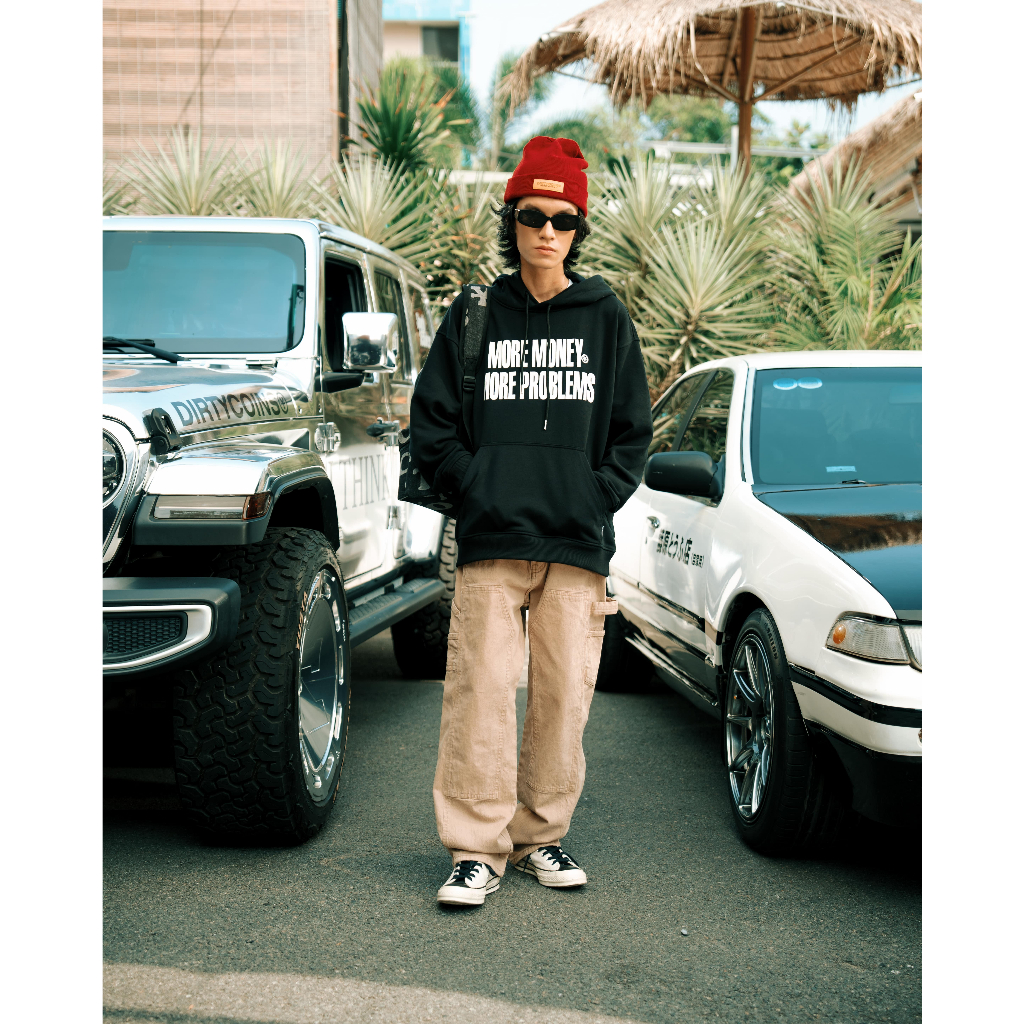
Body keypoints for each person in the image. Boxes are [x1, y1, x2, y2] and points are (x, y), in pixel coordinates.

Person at [410, 136, 654, 906]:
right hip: (493, 538)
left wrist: (593, 496)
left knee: (563, 696)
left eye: (564, 219)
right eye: (533, 216)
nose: (548, 231)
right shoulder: (475, 314)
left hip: (575, 543)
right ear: (510, 220)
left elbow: (632, 433)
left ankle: (539, 836)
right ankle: (474, 849)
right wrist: (476, 486)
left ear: (579, 229)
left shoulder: (605, 317)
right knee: (479, 692)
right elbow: (432, 424)